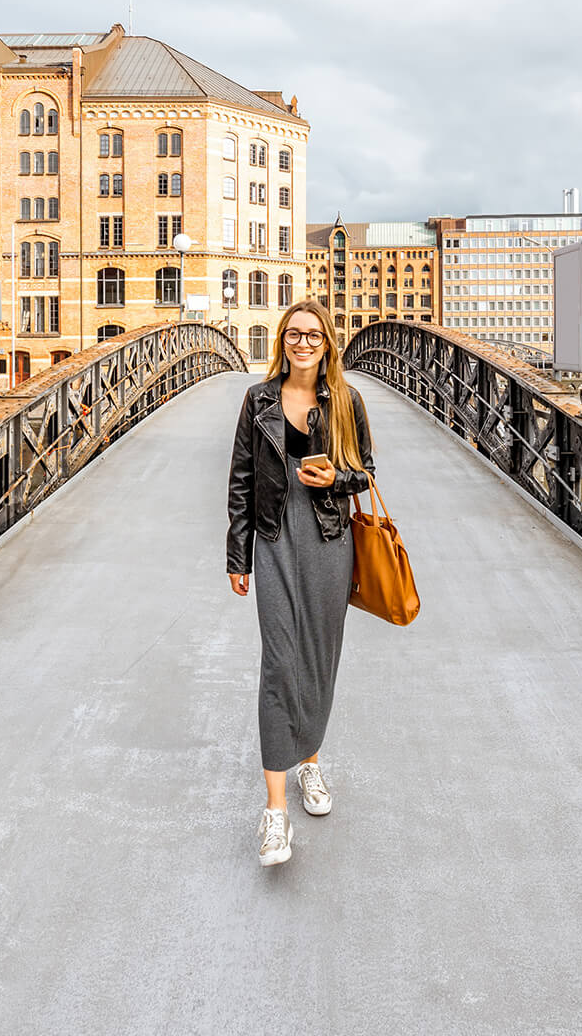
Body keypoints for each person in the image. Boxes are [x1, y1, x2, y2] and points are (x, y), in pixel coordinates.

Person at [225, 299, 374, 866]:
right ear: (282, 341)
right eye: (293, 334)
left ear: (327, 342)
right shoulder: (257, 400)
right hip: (273, 540)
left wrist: (338, 476)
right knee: (279, 662)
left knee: (317, 658)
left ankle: (310, 760)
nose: (302, 343)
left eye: (312, 335)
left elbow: (367, 473)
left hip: (330, 543)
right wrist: (238, 556)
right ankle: (275, 811)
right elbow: (241, 480)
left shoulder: (346, 401)